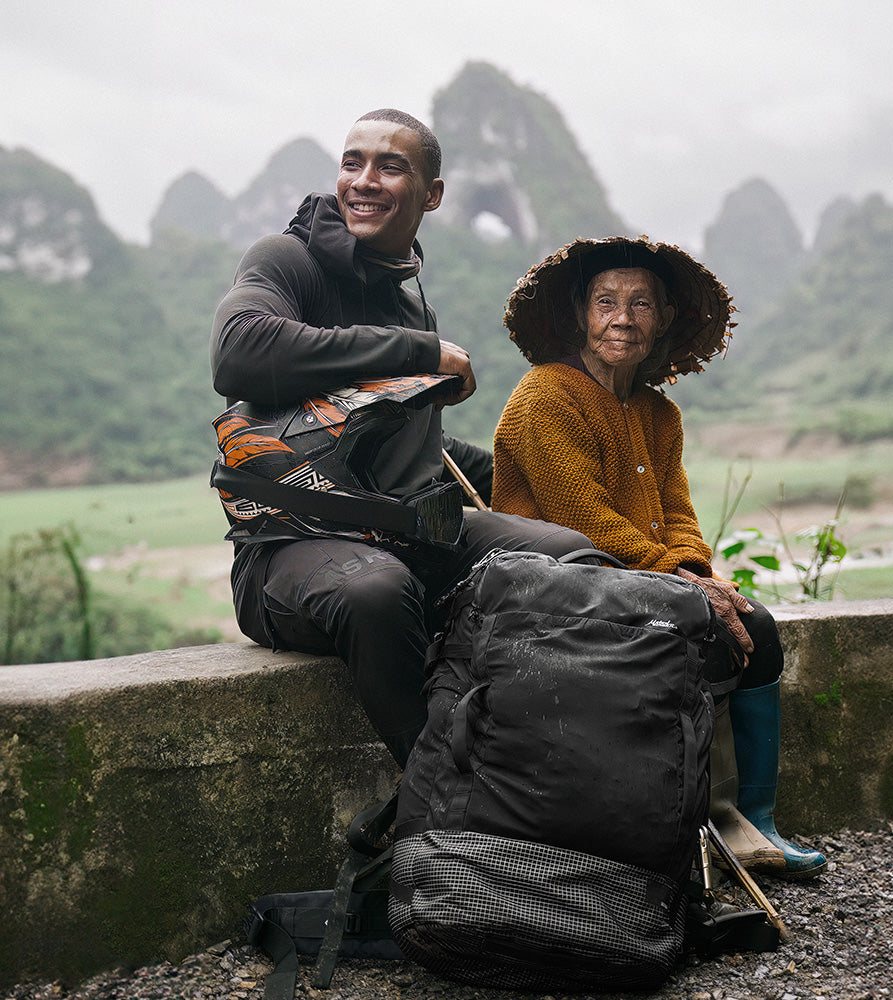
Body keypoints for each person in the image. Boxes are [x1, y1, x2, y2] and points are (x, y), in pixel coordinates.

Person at [210, 109, 591, 768]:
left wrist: (534, 478)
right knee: (377, 591)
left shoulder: (412, 302)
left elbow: (422, 450)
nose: (364, 180)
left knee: (572, 559)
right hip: (292, 547)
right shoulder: (288, 261)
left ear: (431, 194)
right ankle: (439, 797)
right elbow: (239, 352)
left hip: (411, 531)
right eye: (352, 162)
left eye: (390, 166)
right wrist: (416, 351)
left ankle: (542, 761)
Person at [492, 236, 827, 879]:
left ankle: (757, 822)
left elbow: (677, 512)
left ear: (664, 319)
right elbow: (581, 519)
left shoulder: (658, 413)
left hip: (641, 578)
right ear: (580, 314)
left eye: (642, 304)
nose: (624, 317)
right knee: (696, 633)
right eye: (607, 301)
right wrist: (678, 581)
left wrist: (697, 572)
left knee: (754, 626)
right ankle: (691, 823)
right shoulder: (545, 397)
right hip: (568, 587)